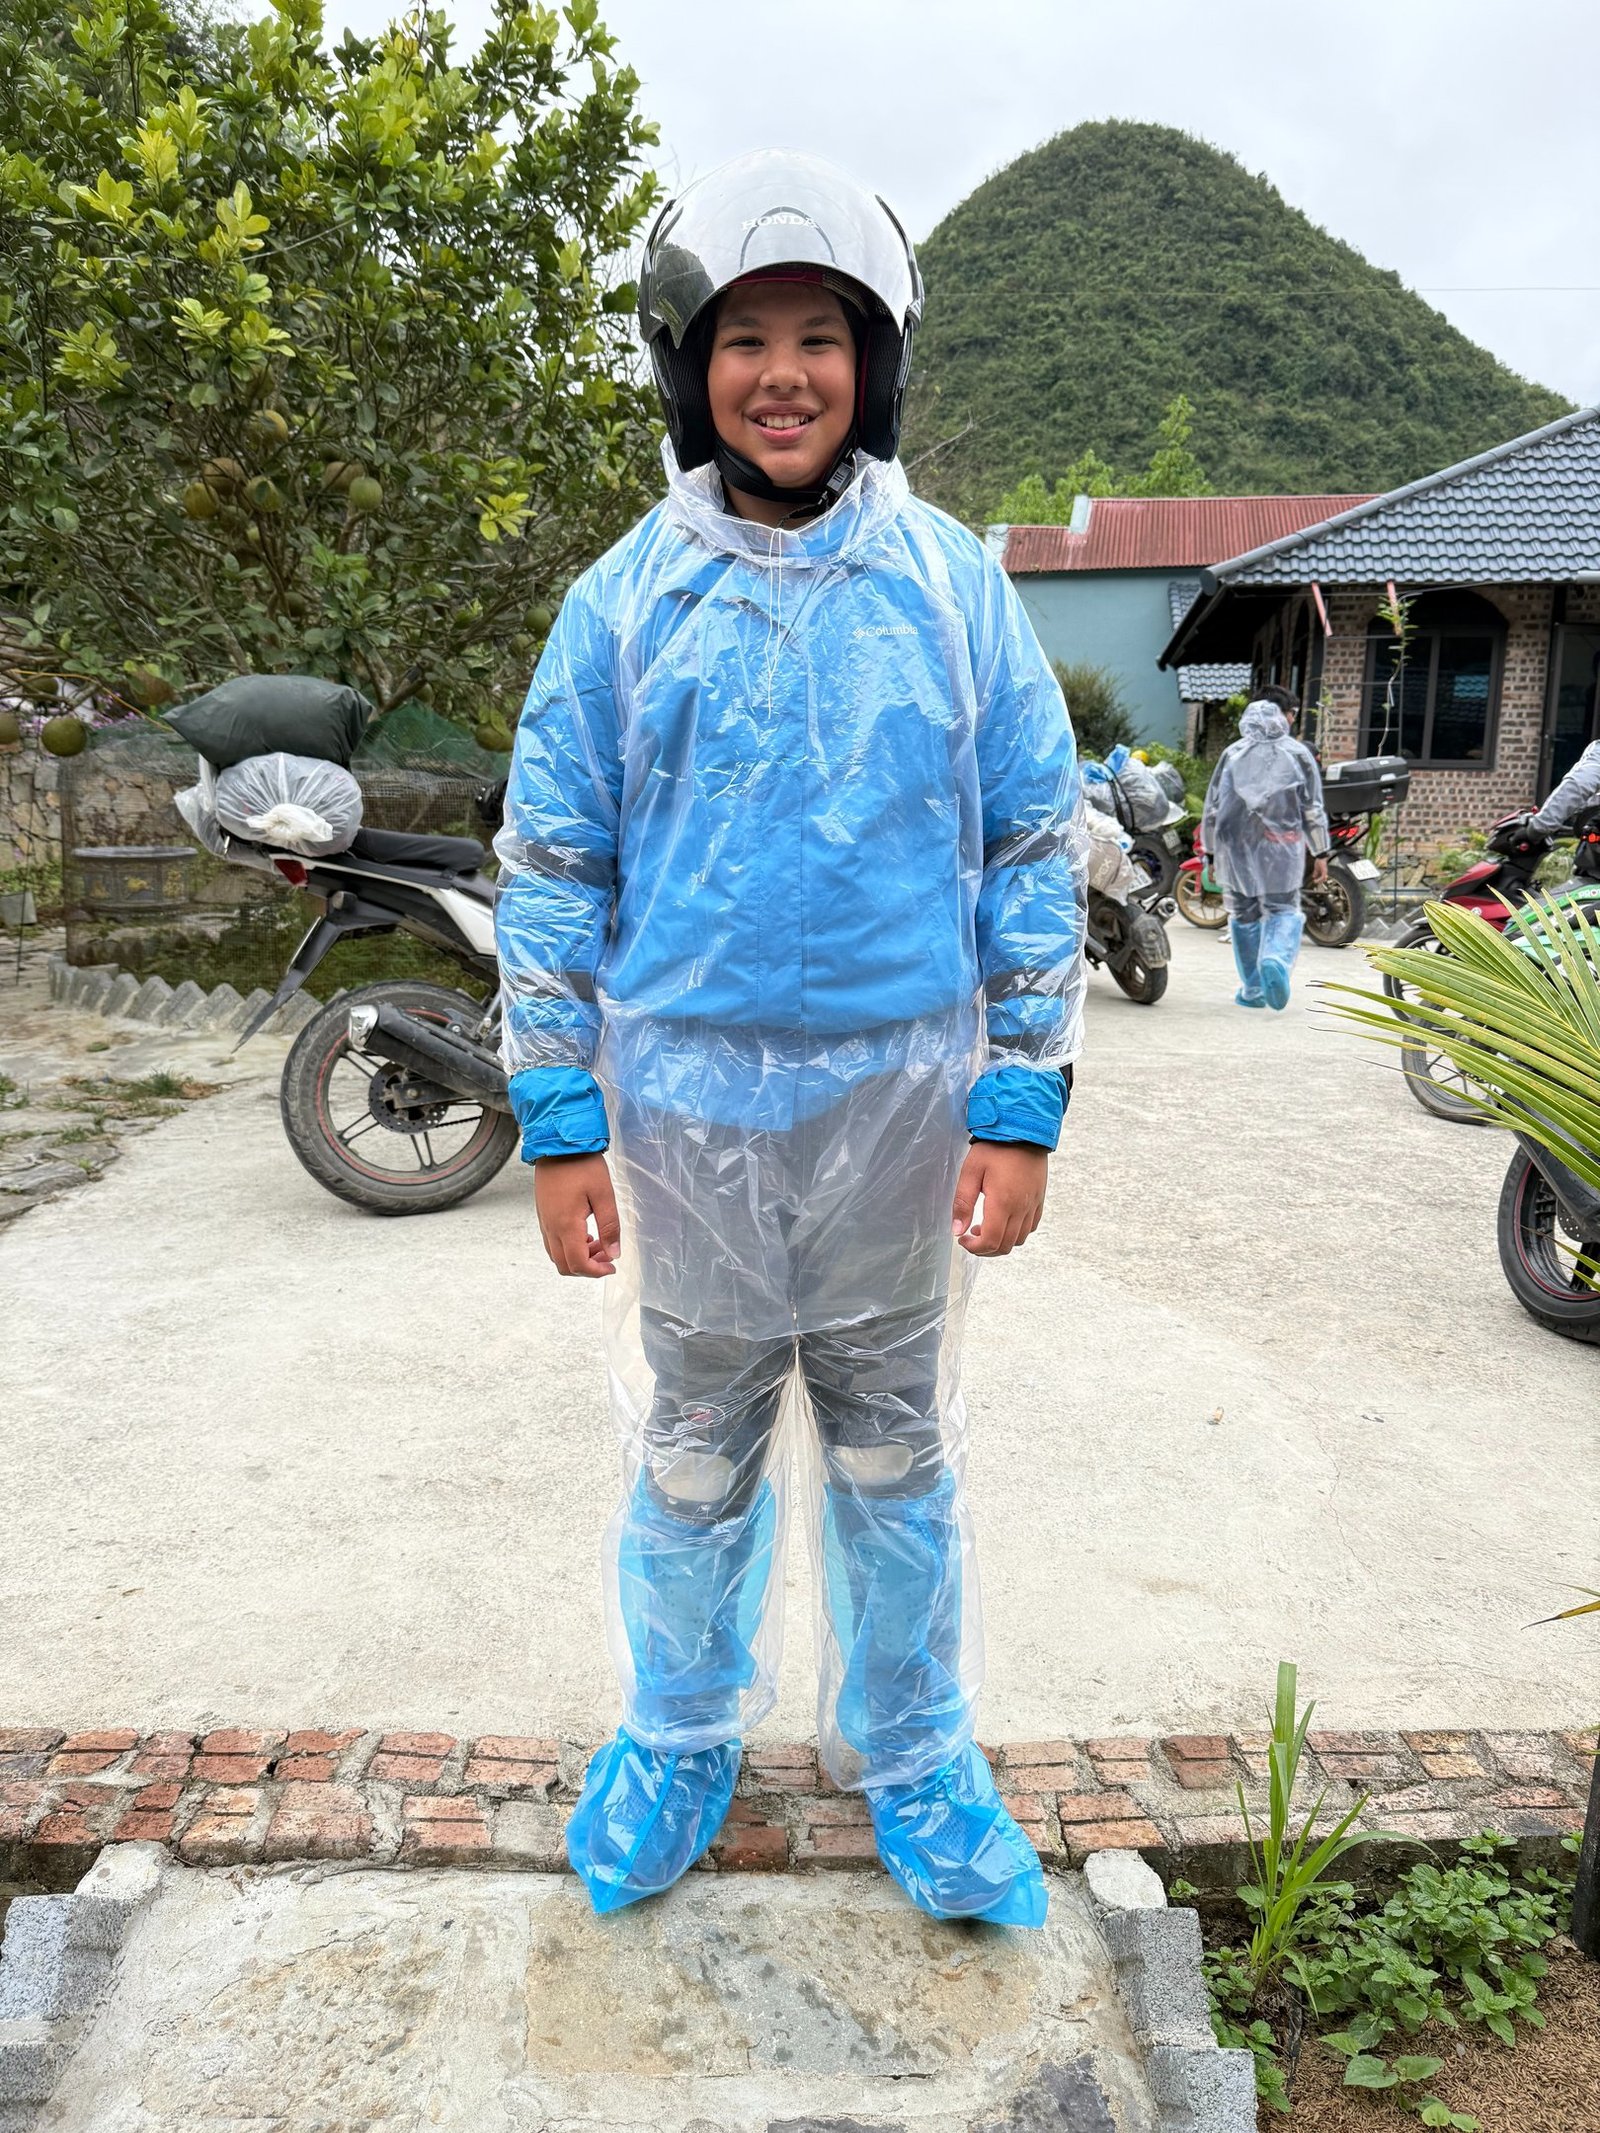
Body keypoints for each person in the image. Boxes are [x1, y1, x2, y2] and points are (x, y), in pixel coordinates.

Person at [494, 150, 1086, 1928]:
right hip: (685, 1124)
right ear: (692, 372)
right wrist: (558, 1121)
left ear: (871, 364)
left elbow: (1030, 846)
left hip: (903, 1116)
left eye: (818, 337)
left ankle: (913, 1751)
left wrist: (1019, 1101)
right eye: (743, 339)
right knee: (694, 1448)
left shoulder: (954, 590)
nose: (782, 374)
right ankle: (681, 1733)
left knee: (897, 1453)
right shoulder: (623, 603)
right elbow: (555, 866)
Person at [1201, 685, 1329, 1011]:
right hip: (1282, 849)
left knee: (1245, 915)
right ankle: (1276, 958)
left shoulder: (1232, 754)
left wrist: (1211, 853)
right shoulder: (1298, 754)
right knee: (1283, 909)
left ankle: (1254, 989)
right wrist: (1321, 851)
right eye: (1291, 713)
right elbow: (1312, 808)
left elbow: (1213, 809)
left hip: (1236, 850)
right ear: (1280, 714)